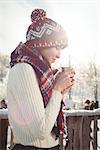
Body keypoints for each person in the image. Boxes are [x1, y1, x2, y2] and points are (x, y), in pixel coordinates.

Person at [6, 8, 75, 150]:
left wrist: (61, 92)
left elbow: (46, 113)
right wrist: (56, 89)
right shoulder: (23, 69)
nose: (59, 55)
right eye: (57, 47)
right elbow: (40, 131)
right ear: (43, 43)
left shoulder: (40, 72)